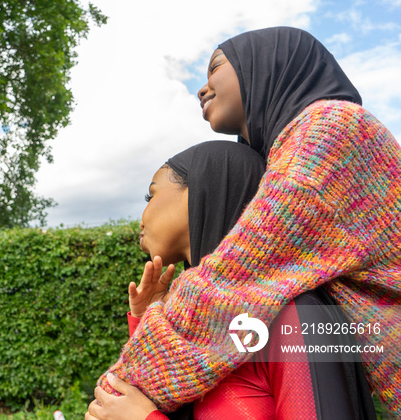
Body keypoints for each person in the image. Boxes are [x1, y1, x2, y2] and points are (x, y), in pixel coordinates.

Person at [93, 26, 401, 415]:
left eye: (215, 68)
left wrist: (122, 386)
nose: (202, 89)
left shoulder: (330, 127)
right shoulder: (292, 149)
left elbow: (233, 275)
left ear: (268, 63)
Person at [86, 141, 375, 419]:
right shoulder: (195, 323)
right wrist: (146, 324)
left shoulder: (296, 315)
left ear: (203, 191)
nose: (142, 216)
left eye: (151, 195)